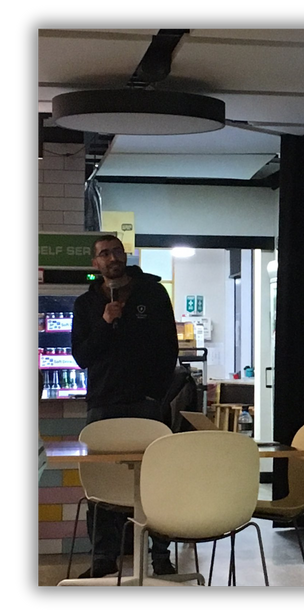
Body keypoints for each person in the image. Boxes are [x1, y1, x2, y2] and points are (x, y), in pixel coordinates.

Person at [71, 234, 179, 579]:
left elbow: (169, 349)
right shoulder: (85, 305)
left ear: (125, 255)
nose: (112, 257)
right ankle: (104, 557)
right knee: (102, 481)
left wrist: (155, 395)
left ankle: (160, 555)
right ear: (96, 264)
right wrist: (105, 323)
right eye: (104, 254)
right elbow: (81, 357)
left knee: (156, 479)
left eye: (117, 251)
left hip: (145, 404)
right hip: (102, 404)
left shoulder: (153, 294)